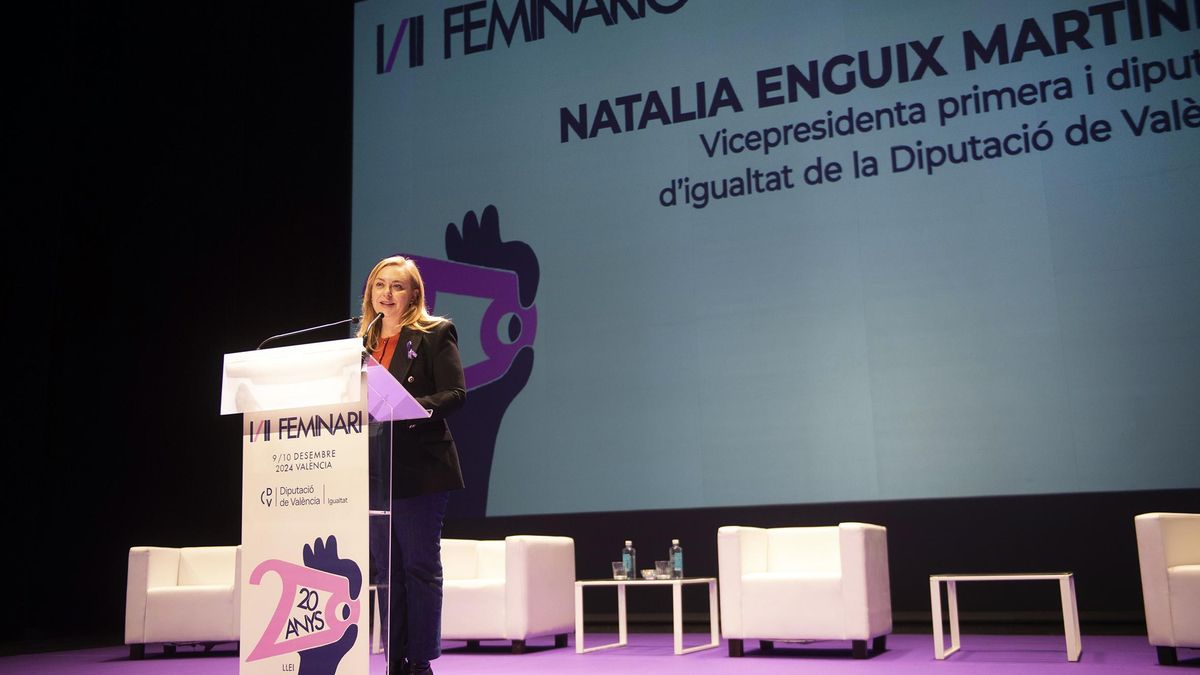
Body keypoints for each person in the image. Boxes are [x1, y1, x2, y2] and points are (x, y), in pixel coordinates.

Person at [359, 255, 466, 675]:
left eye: (397, 286)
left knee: (418, 566)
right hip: (375, 471)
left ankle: (419, 661)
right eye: (380, 285)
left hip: (421, 468)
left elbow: (455, 394)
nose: (387, 293)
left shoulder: (434, 333)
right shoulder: (361, 344)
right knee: (388, 572)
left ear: (414, 294)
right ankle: (395, 660)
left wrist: (405, 408)